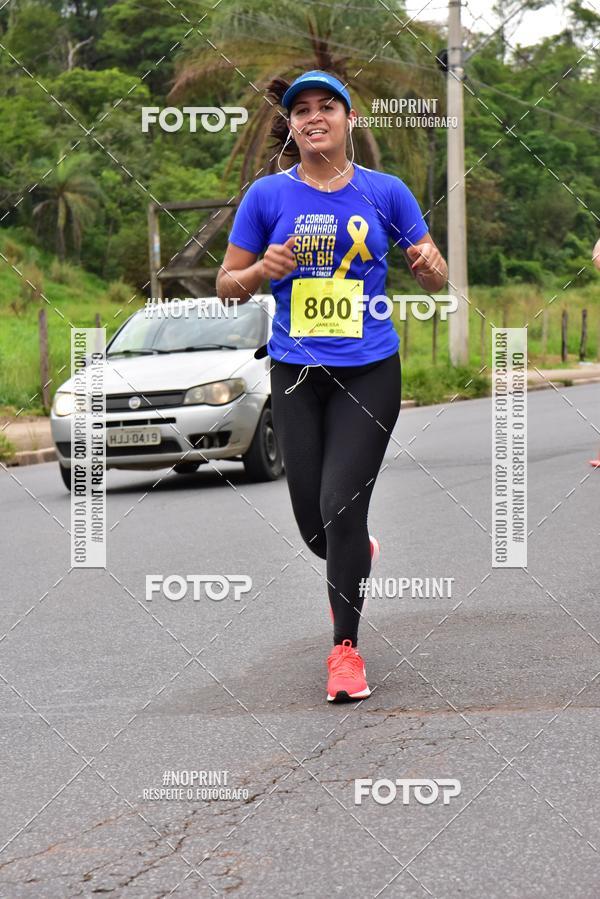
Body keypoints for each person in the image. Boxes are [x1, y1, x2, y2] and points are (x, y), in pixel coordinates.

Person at [216, 70, 448, 702]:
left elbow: (436, 275)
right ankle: (353, 551)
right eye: (301, 110)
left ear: (350, 120)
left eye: (327, 107)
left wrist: (428, 266)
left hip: (370, 369)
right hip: (295, 372)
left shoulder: (387, 191)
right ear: (291, 126)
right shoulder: (267, 196)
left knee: (342, 504)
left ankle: (345, 650)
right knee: (315, 525)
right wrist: (263, 268)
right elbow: (225, 284)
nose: (313, 117)